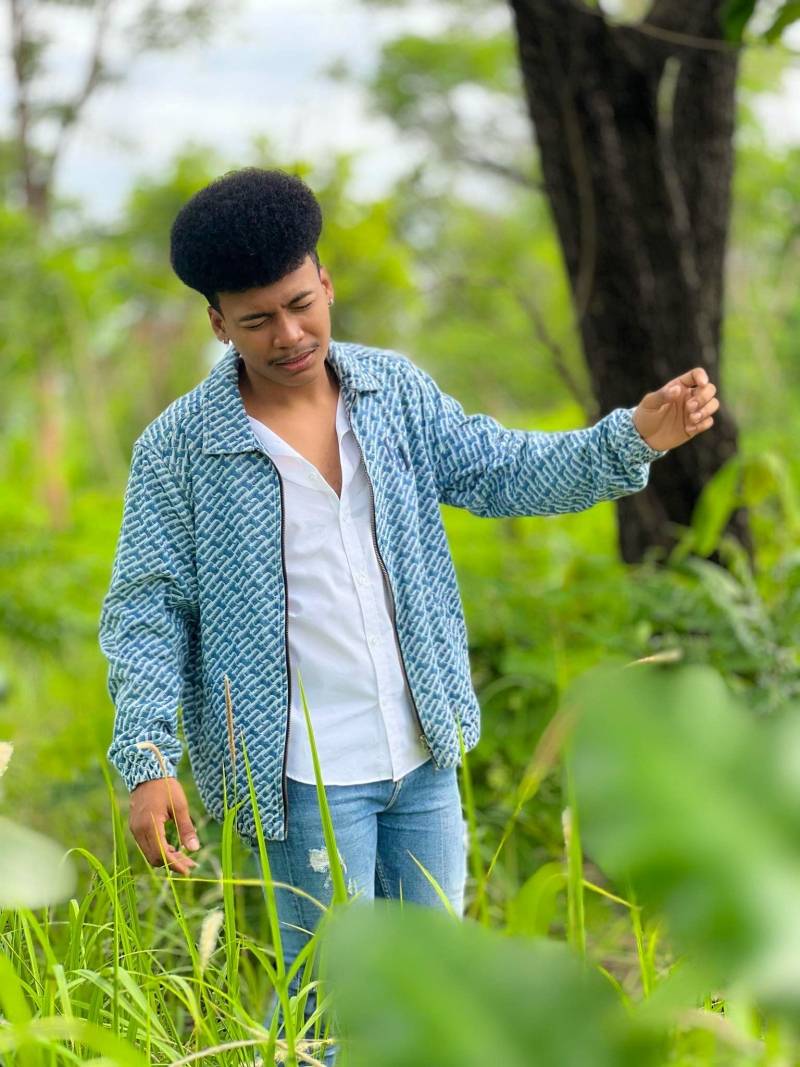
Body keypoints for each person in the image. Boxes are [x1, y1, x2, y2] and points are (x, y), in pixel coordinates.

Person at [98, 167, 719, 1064]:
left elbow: (504, 470)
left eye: (301, 304)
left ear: (325, 282)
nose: (290, 334)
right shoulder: (181, 448)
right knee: (330, 1011)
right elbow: (146, 606)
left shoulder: (394, 394)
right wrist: (147, 755)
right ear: (217, 323)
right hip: (298, 779)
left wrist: (634, 437)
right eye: (258, 319)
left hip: (422, 752)